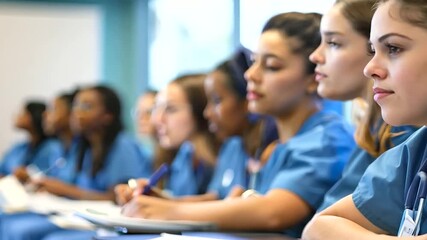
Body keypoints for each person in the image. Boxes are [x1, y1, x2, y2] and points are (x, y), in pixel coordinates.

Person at [120, 12, 355, 238]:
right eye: (254, 62)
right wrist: (164, 202)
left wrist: (169, 212)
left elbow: (273, 213)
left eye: (271, 66)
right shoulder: (282, 147)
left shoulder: (327, 138)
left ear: (315, 76)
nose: (251, 75)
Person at [302, 0, 427, 239]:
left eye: (393, 48)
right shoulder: (416, 151)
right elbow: (317, 228)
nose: (369, 68)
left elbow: (274, 212)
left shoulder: (404, 134)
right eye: (373, 50)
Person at [1, 85, 147, 240]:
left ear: (107, 116)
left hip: (108, 222)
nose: (76, 112)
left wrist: (65, 189)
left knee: (30, 232)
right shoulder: (86, 148)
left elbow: (116, 198)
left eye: (86, 107)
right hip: (80, 215)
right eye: (75, 106)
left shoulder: (122, 146)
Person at [0, 100, 60, 183]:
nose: (17, 115)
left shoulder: (52, 147)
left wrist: (28, 176)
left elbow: (51, 176)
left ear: (34, 116)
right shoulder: (19, 147)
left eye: (22, 112)